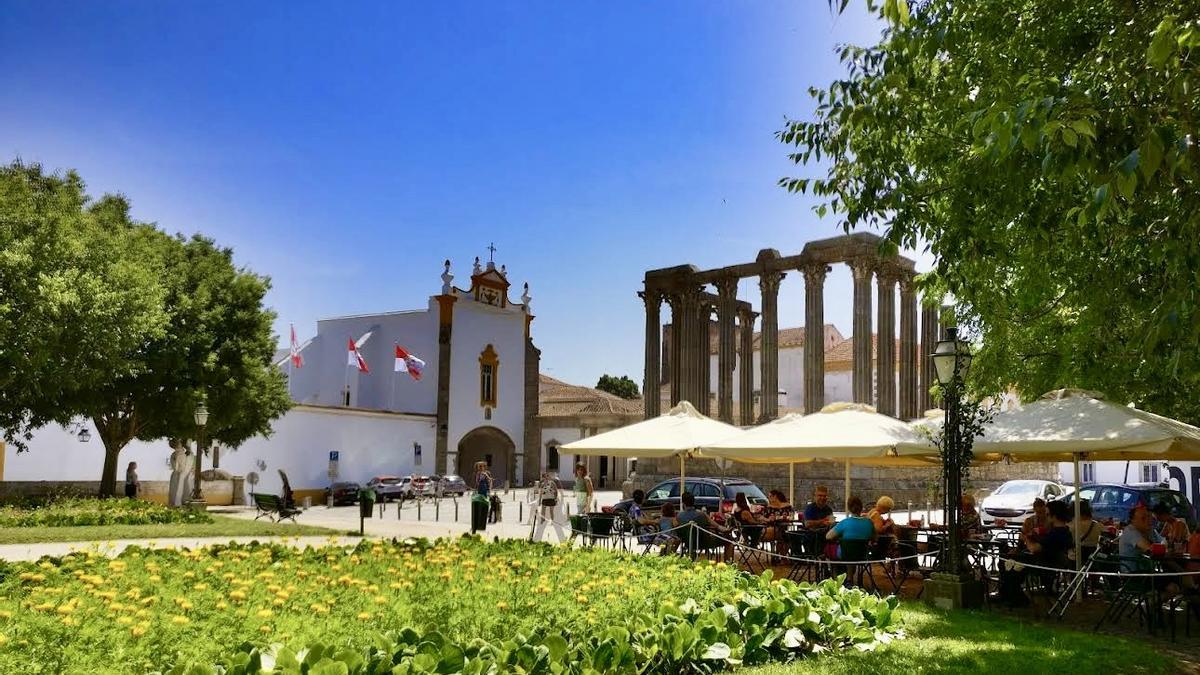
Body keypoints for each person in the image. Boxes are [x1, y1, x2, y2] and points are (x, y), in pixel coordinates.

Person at [999, 500, 1073, 607]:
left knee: (1007, 562)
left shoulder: (1056, 533)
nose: (1045, 517)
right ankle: (1010, 594)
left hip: (1043, 564)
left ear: (1054, 516)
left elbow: (1034, 548)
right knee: (1009, 562)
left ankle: (1014, 596)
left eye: (1047, 514)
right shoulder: (1065, 531)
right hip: (1051, 562)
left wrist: (1027, 538)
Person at [677, 491, 732, 556]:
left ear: (683, 503)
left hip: (687, 543)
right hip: (704, 542)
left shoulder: (679, 516)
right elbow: (718, 526)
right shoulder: (701, 514)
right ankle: (728, 563)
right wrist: (727, 530)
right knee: (729, 541)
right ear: (694, 502)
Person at [530, 471, 566, 543]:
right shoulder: (542, 484)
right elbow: (541, 495)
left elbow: (557, 494)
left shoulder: (553, 483)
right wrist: (537, 502)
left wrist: (558, 503)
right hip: (546, 507)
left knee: (557, 527)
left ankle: (564, 543)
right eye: (543, 477)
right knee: (541, 526)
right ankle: (536, 542)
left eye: (546, 477)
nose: (544, 478)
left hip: (553, 507)